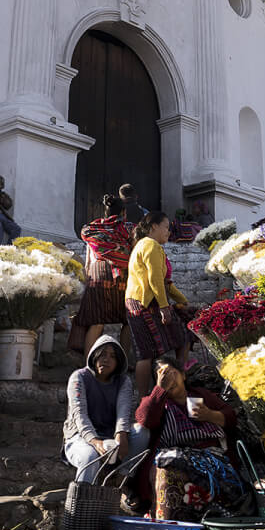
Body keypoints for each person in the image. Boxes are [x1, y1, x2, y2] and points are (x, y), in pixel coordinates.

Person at [132, 357, 247, 521]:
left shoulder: (202, 395)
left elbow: (231, 418)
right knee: (166, 470)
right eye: (162, 375)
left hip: (209, 456)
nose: (169, 379)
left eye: (171, 373)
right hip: (173, 455)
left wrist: (210, 415)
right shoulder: (156, 402)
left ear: (183, 375)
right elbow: (145, 419)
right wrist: (160, 390)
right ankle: (169, 526)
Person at [62, 335, 147, 482]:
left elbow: (123, 411)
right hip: (80, 437)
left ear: (118, 362)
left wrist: (121, 433)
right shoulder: (79, 377)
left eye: (112, 356)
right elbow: (79, 415)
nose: (106, 359)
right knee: (90, 457)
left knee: (141, 432)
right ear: (94, 356)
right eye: (102, 355)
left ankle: (122, 478)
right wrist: (95, 441)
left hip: (110, 437)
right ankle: (83, 494)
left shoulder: (123, 381)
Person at [125, 211, 188, 395]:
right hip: (144, 303)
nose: (169, 231)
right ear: (154, 227)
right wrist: (164, 307)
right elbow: (155, 280)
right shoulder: (150, 245)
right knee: (146, 352)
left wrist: (182, 301)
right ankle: (147, 399)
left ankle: (172, 387)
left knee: (181, 339)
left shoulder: (145, 245)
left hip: (143, 302)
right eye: (166, 227)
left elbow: (164, 282)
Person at [77, 194, 134, 354]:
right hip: (123, 277)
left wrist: (87, 280)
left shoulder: (92, 230)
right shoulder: (128, 229)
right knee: (128, 320)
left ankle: (88, 363)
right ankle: (124, 360)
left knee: (96, 322)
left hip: (98, 275)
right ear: (123, 212)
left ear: (105, 212)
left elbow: (89, 260)